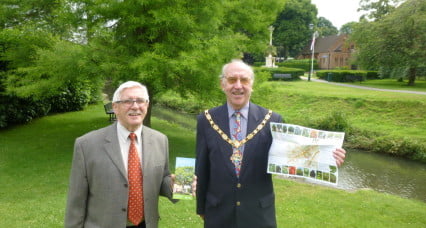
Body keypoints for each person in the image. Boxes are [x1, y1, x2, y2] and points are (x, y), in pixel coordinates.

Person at [195, 60, 346, 228]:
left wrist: (328, 159)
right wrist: (201, 208)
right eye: (232, 80)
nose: (238, 86)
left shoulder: (272, 120)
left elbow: (293, 158)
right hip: (218, 214)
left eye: (244, 80)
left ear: (251, 84)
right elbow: (202, 167)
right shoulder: (206, 120)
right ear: (223, 84)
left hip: (258, 215)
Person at [65, 81, 176, 228]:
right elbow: (76, 201)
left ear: (147, 105)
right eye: (128, 101)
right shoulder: (86, 145)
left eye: (140, 101)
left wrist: (178, 186)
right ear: (115, 107)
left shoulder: (160, 140)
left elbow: (162, 179)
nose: (135, 106)